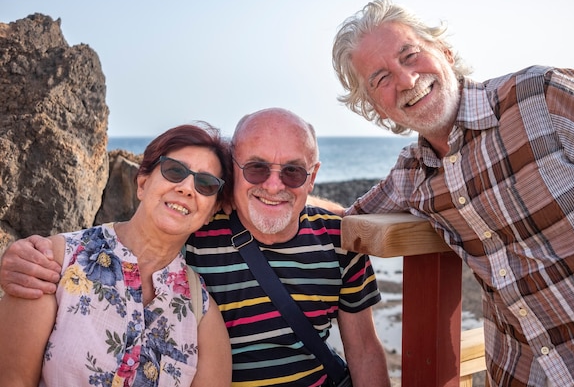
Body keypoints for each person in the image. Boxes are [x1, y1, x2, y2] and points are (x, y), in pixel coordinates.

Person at [322, 0, 574, 386]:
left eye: (410, 55)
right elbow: (349, 219)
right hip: (527, 374)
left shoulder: (541, 97)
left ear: (445, 52)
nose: (407, 80)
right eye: (380, 78)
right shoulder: (413, 174)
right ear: (377, 108)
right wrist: (268, 189)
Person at [0, 108, 391, 387]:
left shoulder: (340, 239)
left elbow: (366, 353)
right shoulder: (188, 233)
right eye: (256, 168)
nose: (274, 185)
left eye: (292, 172)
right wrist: (18, 257)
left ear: (312, 176)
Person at [0, 122, 233, 387]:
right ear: (142, 183)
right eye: (174, 170)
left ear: (211, 212)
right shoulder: (51, 261)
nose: (187, 188)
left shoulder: (202, 318)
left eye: (206, 184)